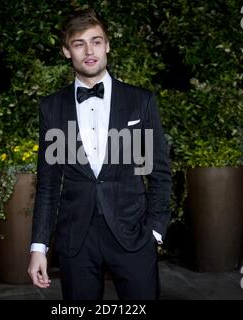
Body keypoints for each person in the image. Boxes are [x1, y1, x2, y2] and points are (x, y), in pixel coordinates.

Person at [27, 9, 172, 300]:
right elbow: (48, 184)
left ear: (107, 45)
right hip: (76, 240)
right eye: (79, 43)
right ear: (67, 51)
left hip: (133, 235)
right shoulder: (51, 107)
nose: (89, 50)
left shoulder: (140, 101)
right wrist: (39, 247)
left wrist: (155, 230)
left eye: (96, 41)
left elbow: (158, 172)